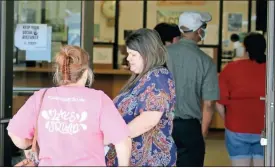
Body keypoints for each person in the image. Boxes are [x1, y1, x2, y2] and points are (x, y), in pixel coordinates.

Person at [7, 45, 132, 166]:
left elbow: (15, 134)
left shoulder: (41, 97)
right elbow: (122, 140)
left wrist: (29, 145)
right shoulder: (99, 99)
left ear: (59, 72)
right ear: (86, 72)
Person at [105, 28, 177, 166]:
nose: (128, 58)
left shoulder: (157, 77)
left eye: (133, 54)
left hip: (148, 159)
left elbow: (149, 119)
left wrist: (114, 137)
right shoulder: (143, 77)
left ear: (146, 54)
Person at [166, 11, 219, 166]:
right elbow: (209, 104)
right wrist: (201, 135)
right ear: (199, 31)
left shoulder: (162, 55)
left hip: (162, 123)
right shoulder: (206, 61)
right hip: (190, 127)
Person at [216, 33, 266, 167]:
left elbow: (220, 103)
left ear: (245, 48)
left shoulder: (231, 68)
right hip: (264, 130)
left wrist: (228, 121)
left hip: (237, 128)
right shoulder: (270, 69)